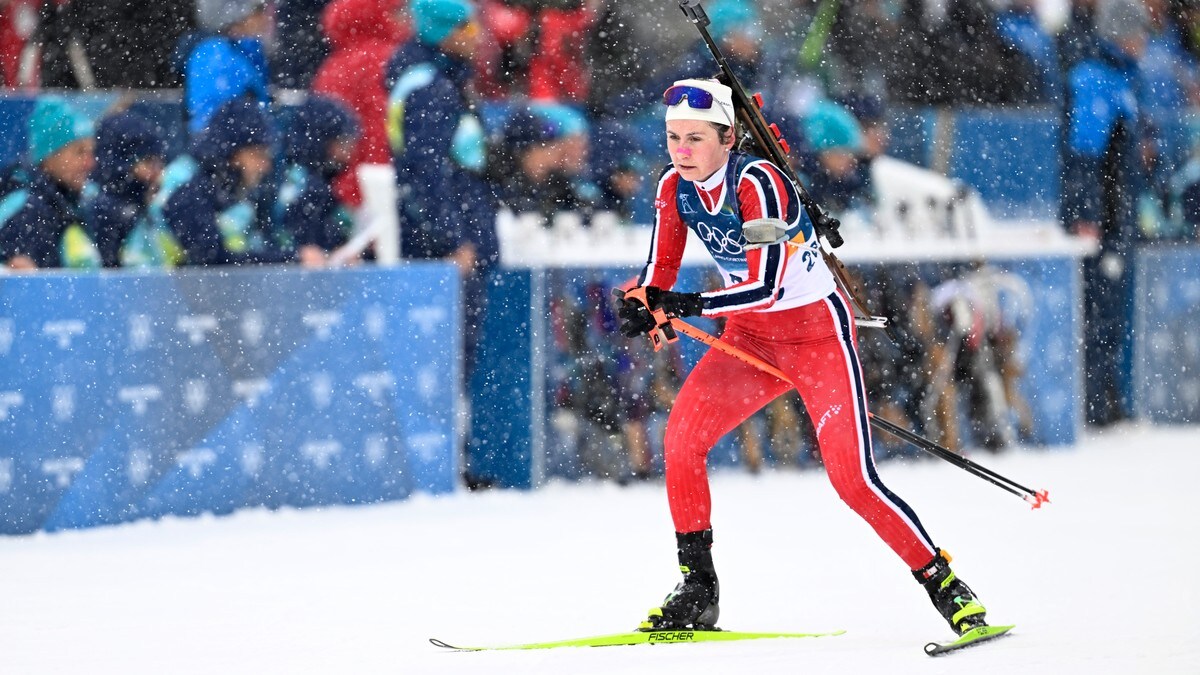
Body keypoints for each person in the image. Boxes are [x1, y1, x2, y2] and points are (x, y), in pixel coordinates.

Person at [616, 78, 992, 638]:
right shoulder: (674, 187)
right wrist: (640, 302)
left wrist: (688, 304)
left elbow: (766, 285)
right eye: (673, 137)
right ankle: (698, 589)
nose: (682, 150)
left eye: (695, 137)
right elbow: (658, 270)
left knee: (851, 479)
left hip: (817, 337)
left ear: (728, 136)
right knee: (682, 441)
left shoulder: (758, 182)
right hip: (749, 338)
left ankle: (946, 585)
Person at [162, 98, 296, 267]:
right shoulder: (188, 189)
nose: (266, 166)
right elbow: (213, 262)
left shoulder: (227, 191)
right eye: (258, 155)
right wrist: (292, 259)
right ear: (232, 154)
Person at [312, 0, 410, 208]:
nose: (405, 18)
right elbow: (380, 131)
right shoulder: (385, 60)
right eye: (396, 11)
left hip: (340, 184)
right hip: (376, 185)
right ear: (376, 16)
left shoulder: (332, 64)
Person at [0, 97, 99, 270]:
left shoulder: (71, 202)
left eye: (91, 153)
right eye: (79, 152)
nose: (90, 163)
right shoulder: (27, 208)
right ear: (49, 156)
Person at [277, 95, 361, 264]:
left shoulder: (317, 184)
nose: (349, 152)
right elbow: (301, 238)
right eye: (343, 143)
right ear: (323, 143)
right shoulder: (302, 186)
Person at [88, 108, 172, 268]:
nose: (157, 171)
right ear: (123, 163)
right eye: (149, 161)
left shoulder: (147, 202)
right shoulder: (106, 207)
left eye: (161, 161)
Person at [185, 0, 271, 134]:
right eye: (257, 12)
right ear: (239, 17)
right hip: (227, 147)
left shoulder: (248, 52)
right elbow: (210, 113)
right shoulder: (215, 52)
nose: (265, 18)